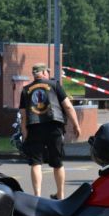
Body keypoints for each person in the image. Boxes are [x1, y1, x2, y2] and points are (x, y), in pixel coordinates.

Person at [19, 63, 81, 200]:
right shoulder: (54, 85)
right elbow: (68, 107)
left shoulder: (25, 90)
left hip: (34, 127)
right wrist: (76, 125)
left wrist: (24, 132)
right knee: (57, 162)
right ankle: (60, 194)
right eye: (47, 71)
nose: (48, 74)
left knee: (36, 163)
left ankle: (37, 196)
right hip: (54, 126)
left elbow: (23, 115)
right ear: (43, 73)